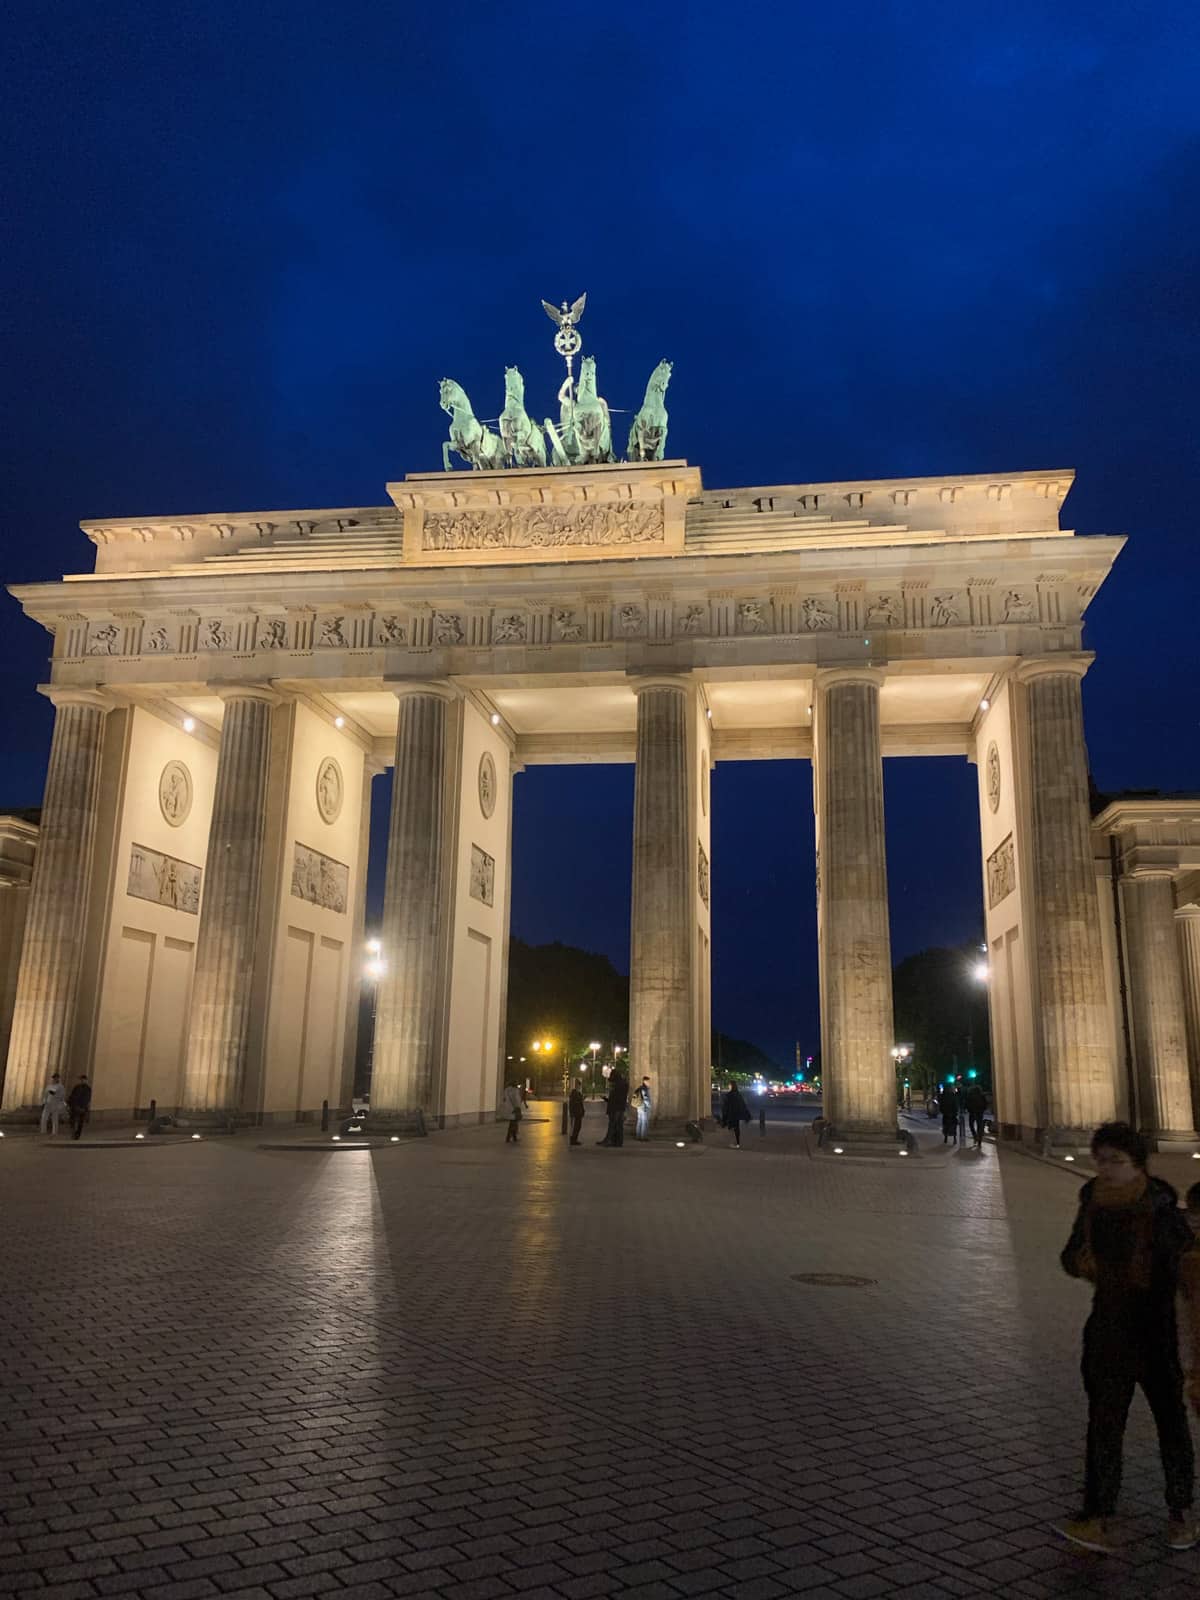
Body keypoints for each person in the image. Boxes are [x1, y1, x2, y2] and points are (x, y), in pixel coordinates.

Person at [1055, 1121, 1200, 1554]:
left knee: (1171, 1425)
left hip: (1155, 1334)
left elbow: (1182, 1272)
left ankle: (1181, 1511)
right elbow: (1069, 1254)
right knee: (1103, 1426)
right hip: (1108, 1331)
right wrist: (1084, 1263)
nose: (1105, 1169)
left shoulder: (1161, 1207)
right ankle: (1097, 1514)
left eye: (1115, 1161)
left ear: (1137, 1164)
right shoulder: (1091, 1200)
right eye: (1100, 1160)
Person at [598, 1065, 628, 1146]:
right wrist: (607, 1099)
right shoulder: (622, 1084)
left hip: (616, 1109)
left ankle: (609, 1140)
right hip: (619, 1108)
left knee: (613, 1125)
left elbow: (616, 1098)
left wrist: (608, 1100)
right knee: (618, 1125)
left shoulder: (618, 1085)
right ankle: (617, 1141)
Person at [720, 1079, 751, 1148]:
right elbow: (742, 1104)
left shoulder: (729, 1095)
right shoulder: (738, 1094)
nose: (728, 1086)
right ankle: (737, 1143)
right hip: (736, 1114)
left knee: (731, 1128)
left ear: (732, 1086)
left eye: (729, 1085)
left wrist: (724, 1116)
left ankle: (734, 1143)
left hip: (731, 1114)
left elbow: (726, 1106)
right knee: (736, 1128)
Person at [963, 1082, 987, 1149]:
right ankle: (979, 1141)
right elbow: (985, 1104)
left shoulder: (970, 1095)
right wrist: (983, 1109)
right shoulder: (982, 1095)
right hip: (980, 1112)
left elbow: (966, 1104)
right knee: (979, 1126)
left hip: (972, 1112)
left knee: (971, 1124)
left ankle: (975, 1136)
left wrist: (966, 1109)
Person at [67, 1075, 92, 1141]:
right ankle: (73, 1133)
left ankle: (77, 1134)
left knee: (80, 1122)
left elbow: (87, 1098)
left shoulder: (88, 1089)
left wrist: (84, 1107)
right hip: (75, 1106)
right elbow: (72, 1096)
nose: (82, 1081)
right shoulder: (77, 1087)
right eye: (81, 1080)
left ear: (86, 1080)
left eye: (83, 1080)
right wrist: (69, 1103)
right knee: (72, 1120)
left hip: (82, 1107)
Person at [938, 1081, 960, 1146]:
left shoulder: (943, 1095)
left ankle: (945, 1137)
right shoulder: (953, 1095)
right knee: (953, 1126)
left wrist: (943, 1111)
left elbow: (941, 1105)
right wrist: (955, 1112)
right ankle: (954, 1138)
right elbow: (956, 1105)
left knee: (946, 1126)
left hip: (946, 1113)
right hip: (952, 1113)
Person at [502, 1080, 523, 1144]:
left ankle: (513, 1137)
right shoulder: (515, 1091)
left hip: (508, 1108)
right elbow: (516, 1099)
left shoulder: (506, 1090)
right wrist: (518, 1107)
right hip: (514, 1108)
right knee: (514, 1123)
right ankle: (509, 1137)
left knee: (512, 1122)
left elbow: (504, 1098)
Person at [633, 1076, 652, 1140]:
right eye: (648, 1081)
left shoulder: (640, 1088)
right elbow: (645, 1098)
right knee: (644, 1122)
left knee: (639, 1122)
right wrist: (649, 1105)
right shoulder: (644, 1089)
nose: (649, 1082)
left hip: (639, 1107)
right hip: (644, 1107)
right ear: (645, 1081)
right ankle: (643, 1137)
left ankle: (638, 1136)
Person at [568, 1078, 585, 1145]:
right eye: (578, 1085)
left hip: (578, 1112)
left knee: (578, 1126)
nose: (579, 1086)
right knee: (575, 1126)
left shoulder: (577, 1093)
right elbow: (575, 1102)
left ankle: (574, 1139)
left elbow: (579, 1102)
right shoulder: (574, 1093)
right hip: (576, 1112)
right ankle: (573, 1139)